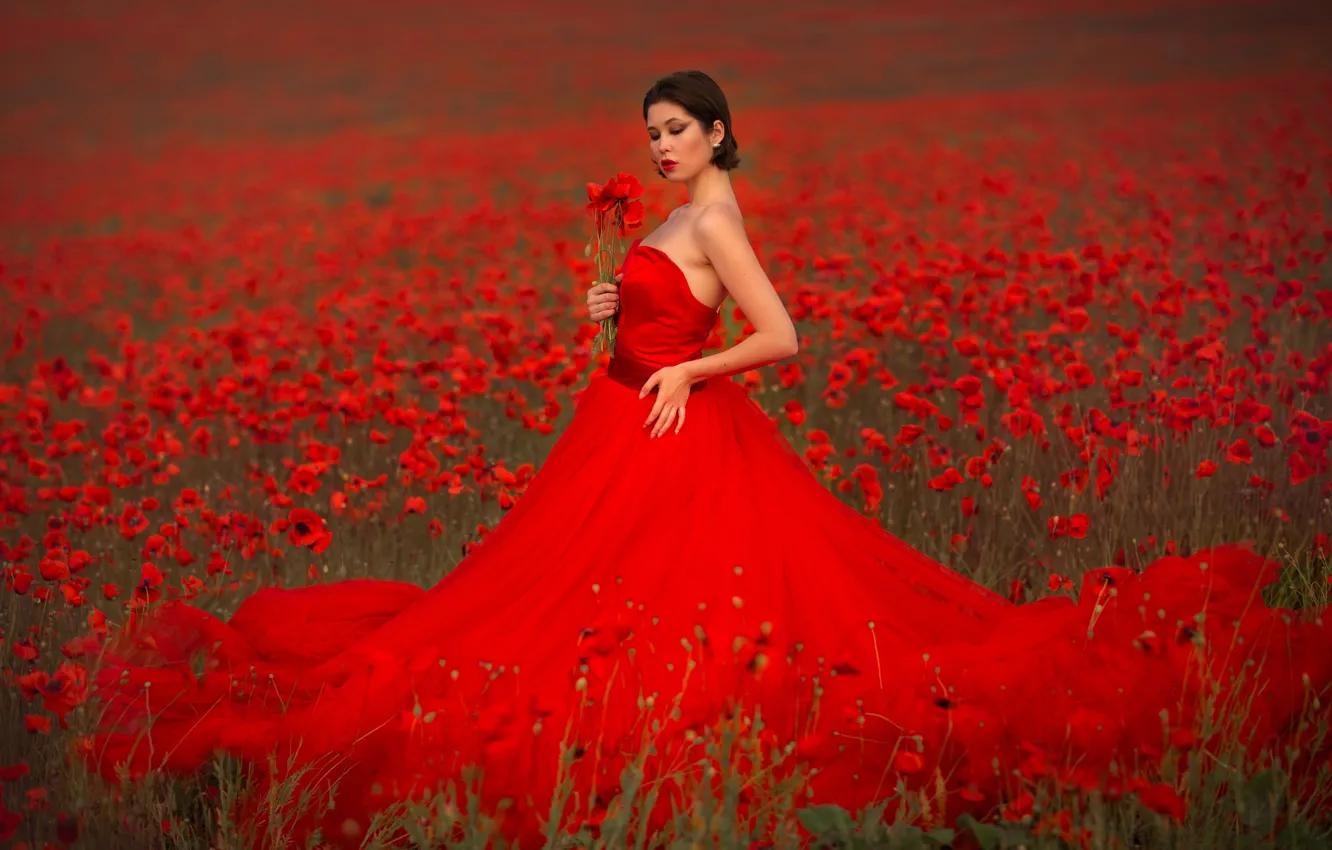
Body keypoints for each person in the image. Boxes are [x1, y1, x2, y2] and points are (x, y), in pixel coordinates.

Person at [90, 70, 1330, 847]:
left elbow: (783, 335)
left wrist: (689, 369)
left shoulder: (721, 216)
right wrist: (612, 303)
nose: (662, 144)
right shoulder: (676, 215)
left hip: (677, 431)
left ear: (721, 132)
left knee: (669, 619)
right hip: (621, 419)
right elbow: (646, 314)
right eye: (652, 131)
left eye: (678, 129)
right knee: (576, 606)